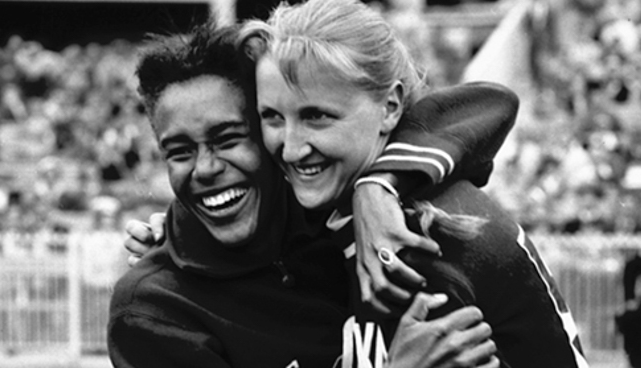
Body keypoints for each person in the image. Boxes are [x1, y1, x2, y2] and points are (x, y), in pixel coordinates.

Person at [109, 24, 505, 368]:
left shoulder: (330, 211)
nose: (206, 168)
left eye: (228, 139)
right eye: (179, 152)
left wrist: (380, 185)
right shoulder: (154, 309)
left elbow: (488, 104)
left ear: (271, 131)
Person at [244, 0, 587, 365]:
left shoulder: (423, 245)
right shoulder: (356, 206)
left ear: (390, 108)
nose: (292, 149)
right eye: (272, 117)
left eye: (317, 116)